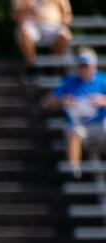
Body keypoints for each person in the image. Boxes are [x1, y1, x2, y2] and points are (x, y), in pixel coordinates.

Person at [43, 48, 106, 179]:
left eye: (87, 66)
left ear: (94, 66)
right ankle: (74, 171)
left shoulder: (103, 81)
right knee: (74, 132)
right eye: (81, 66)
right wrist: (62, 100)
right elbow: (47, 102)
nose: (84, 69)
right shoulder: (69, 82)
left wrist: (103, 101)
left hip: (100, 124)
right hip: (78, 125)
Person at [12, 0, 72, 82]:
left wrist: (64, 23)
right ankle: (31, 68)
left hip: (53, 26)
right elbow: (14, 15)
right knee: (24, 32)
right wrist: (27, 10)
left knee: (65, 35)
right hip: (31, 25)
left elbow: (67, 13)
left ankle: (53, 67)